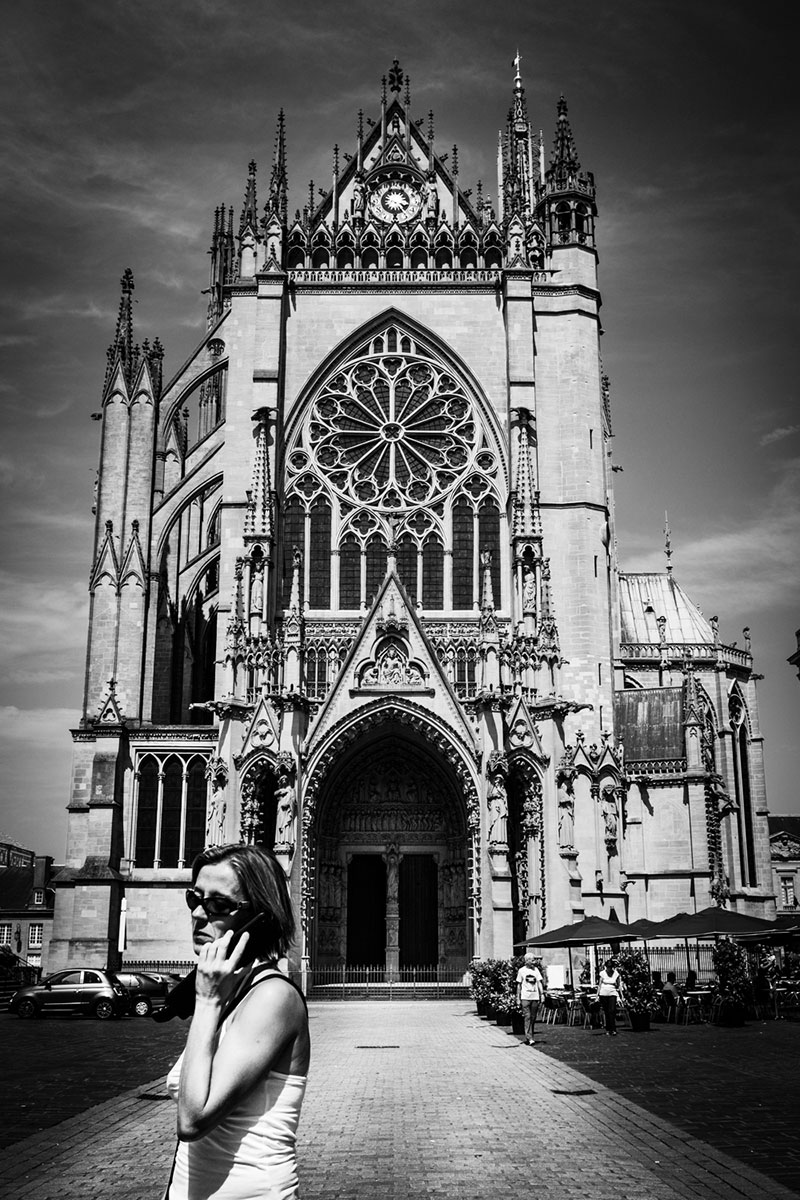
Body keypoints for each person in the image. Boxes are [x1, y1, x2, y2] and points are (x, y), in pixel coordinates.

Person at [165, 843, 311, 1200]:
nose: (199, 914)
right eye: (194, 898)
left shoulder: (273, 998)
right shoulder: (232, 989)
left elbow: (193, 1119)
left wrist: (207, 1000)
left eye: (218, 905)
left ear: (259, 915)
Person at [515, 952, 545, 1045]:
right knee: (527, 1016)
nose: (534, 962)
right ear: (527, 961)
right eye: (532, 960)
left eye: (534, 960)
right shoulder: (521, 971)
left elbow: (539, 983)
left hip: (535, 997)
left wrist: (542, 994)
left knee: (533, 1017)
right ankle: (529, 1037)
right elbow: (519, 985)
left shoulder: (536, 970)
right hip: (525, 997)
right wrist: (518, 998)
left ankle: (530, 1035)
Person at [597, 958, 624, 1036]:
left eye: (611, 967)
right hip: (603, 993)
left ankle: (613, 1029)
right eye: (608, 967)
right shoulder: (602, 973)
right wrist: (597, 995)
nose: (609, 969)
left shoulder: (616, 974)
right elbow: (599, 985)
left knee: (612, 1010)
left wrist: (621, 995)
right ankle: (608, 1029)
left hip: (612, 993)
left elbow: (619, 985)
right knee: (606, 1011)